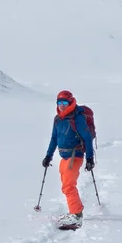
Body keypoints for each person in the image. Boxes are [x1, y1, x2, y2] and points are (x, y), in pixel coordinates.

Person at [43, 90, 96, 228]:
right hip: (64, 157)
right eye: (59, 102)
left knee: (68, 186)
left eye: (64, 102)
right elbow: (54, 138)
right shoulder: (58, 119)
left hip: (75, 156)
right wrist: (48, 156)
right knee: (66, 186)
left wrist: (90, 158)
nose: (61, 105)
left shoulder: (76, 118)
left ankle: (76, 216)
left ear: (70, 102)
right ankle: (75, 211)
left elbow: (87, 138)